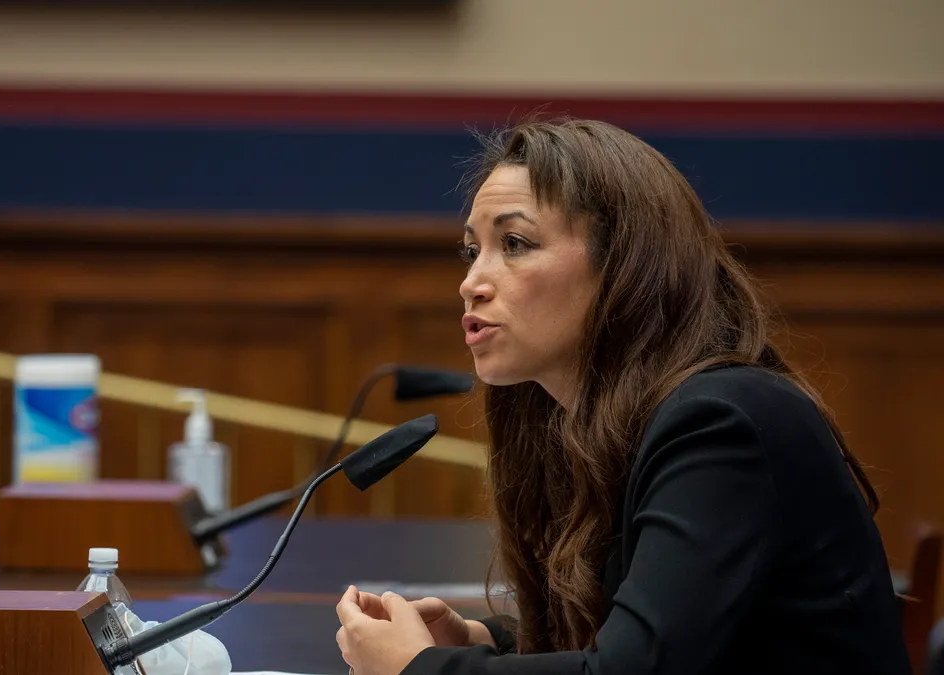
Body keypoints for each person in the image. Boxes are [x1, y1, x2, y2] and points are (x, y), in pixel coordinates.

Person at [334, 118, 913, 675]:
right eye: (471, 250)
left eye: (513, 243)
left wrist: (426, 671)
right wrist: (490, 642)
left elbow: (637, 669)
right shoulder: (573, 417)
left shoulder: (722, 421)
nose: (472, 281)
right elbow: (647, 634)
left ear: (624, 267)